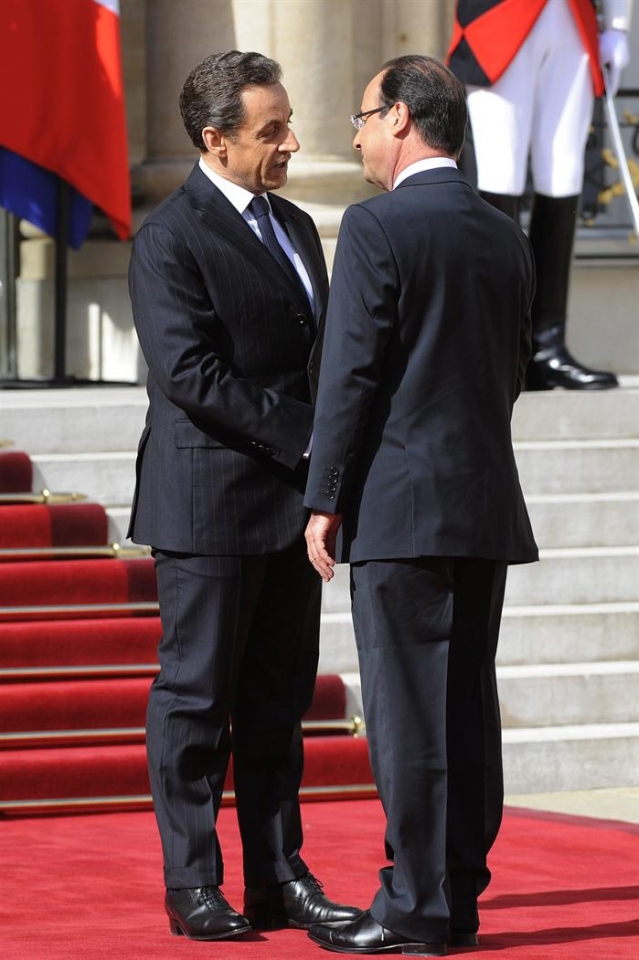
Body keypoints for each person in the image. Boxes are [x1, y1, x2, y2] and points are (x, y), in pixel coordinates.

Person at [303, 55, 538, 956]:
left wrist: (323, 497)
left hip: (400, 506)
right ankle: (456, 898)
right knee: (464, 708)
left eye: (362, 117)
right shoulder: (502, 233)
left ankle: (412, 904)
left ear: (401, 118)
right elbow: (511, 370)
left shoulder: (375, 226)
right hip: (480, 503)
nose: (356, 135)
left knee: (408, 717)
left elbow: (347, 375)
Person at [128, 50, 362, 942]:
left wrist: (329, 467)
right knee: (194, 700)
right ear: (215, 140)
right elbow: (189, 373)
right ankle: (193, 883)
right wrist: (310, 435)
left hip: (291, 504)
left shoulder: (298, 226)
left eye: (290, 122)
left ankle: (277, 876)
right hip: (207, 503)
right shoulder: (169, 237)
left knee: (276, 704)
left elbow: (322, 359)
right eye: (271, 131)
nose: (292, 142)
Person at [447, 0, 633, 390]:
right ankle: (497, 347)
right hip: (497, 17)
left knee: (563, 176)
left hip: (573, 20)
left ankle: (547, 347)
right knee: (499, 175)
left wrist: (618, 24)